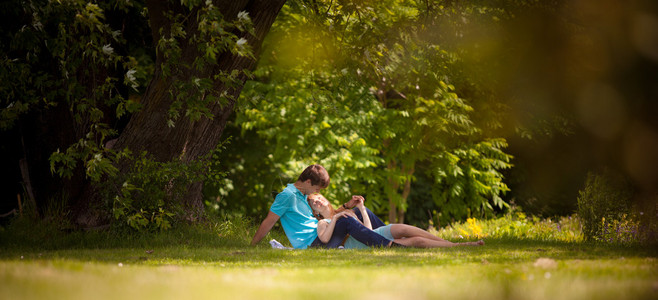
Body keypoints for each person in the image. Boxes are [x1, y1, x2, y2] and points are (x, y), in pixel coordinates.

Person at [250, 164, 400, 249]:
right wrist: (252, 246)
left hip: (322, 233)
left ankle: (388, 236)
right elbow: (268, 221)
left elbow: (328, 215)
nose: (318, 192)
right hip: (314, 244)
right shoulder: (287, 196)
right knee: (346, 220)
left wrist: (346, 206)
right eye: (317, 189)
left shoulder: (301, 195)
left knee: (359, 211)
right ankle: (389, 245)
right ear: (308, 182)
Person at [308, 193, 485, 248]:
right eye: (314, 203)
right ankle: (458, 246)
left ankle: (446, 242)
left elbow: (367, 229)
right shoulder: (322, 223)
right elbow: (324, 239)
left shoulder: (346, 211)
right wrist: (336, 217)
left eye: (319, 198)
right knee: (417, 242)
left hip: (371, 235)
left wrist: (361, 208)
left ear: (326, 199)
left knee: (403, 228)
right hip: (359, 244)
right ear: (315, 212)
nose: (318, 201)